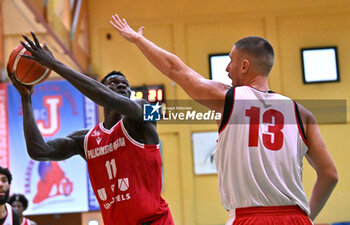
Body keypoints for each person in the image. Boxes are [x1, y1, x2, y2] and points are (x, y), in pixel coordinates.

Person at [110, 14, 338, 224]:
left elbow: (175, 69)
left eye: (230, 60)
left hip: (249, 217)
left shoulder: (228, 98)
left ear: (245, 65)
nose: (227, 68)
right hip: (295, 217)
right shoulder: (302, 113)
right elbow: (330, 174)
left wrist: (138, 40)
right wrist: (307, 217)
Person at [7, 32, 174, 225]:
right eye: (113, 83)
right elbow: (38, 151)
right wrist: (25, 98)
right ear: (101, 88)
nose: (121, 86)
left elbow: (106, 98)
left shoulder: (146, 110)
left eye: (126, 85)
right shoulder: (86, 140)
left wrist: (54, 64)